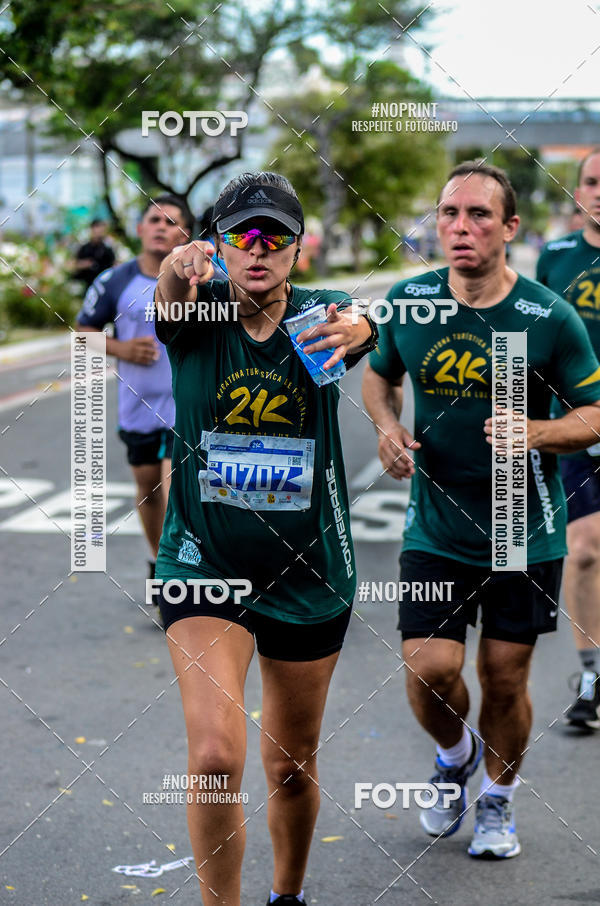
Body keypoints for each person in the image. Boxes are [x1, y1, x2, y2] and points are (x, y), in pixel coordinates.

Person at [362, 161, 600, 859]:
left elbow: (594, 413)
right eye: (449, 214)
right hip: (434, 524)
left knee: (504, 677)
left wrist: (537, 432)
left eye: (479, 216)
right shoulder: (410, 303)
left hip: (521, 528)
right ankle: (455, 756)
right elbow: (379, 376)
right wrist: (386, 426)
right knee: (430, 670)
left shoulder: (545, 316)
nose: (461, 228)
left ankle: (497, 800)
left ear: (510, 227)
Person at [152, 171, 376, 906]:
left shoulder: (319, 317)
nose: (258, 249)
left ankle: (288, 896)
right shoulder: (198, 315)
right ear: (217, 244)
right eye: (241, 234)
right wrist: (172, 266)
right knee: (216, 758)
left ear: (297, 248)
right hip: (203, 562)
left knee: (291, 765)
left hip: (309, 571)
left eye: (274, 236)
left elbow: (370, 326)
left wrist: (366, 329)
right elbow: (167, 302)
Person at [76, 195, 193, 595]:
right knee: (148, 490)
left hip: (187, 410)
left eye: (172, 222)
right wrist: (121, 349)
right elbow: (82, 335)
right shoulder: (114, 281)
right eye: (154, 219)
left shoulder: (201, 279)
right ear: (141, 229)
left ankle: (177, 573)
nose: (162, 227)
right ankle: (157, 560)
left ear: (186, 234)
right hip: (138, 410)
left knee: (177, 488)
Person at [536, 147, 600, 728]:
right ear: (578, 191)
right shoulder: (555, 259)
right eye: (592, 181)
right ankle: (591, 673)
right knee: (583, 549)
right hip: (576, 426)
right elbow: (530, 339)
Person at [72, 218, 115, 289]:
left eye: (101, 228)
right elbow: (75, 264)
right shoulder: (85, 248)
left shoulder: (107, 248)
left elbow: (113, 265)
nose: (99, 231)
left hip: (105, 285)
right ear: (92, 229)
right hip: (89, 285)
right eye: (97, 227)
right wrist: (84, 264)